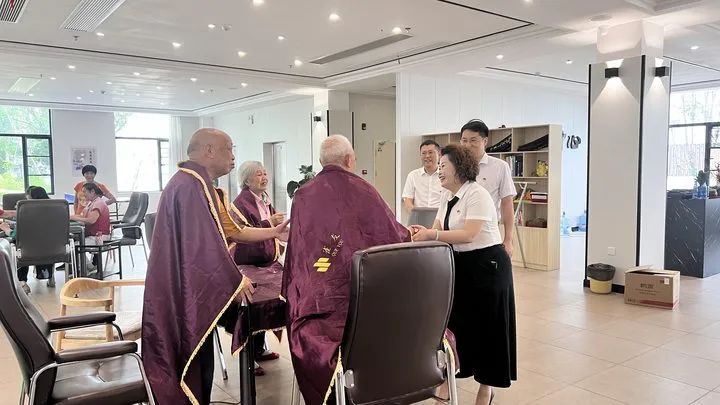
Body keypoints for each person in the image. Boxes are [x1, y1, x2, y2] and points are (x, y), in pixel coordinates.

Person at [142, 128, 288, 405]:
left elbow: (234, 231)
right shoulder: (189, 187)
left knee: (203, 360)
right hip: (181, 291)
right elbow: (203, 249)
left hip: (184, 288)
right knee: (192, 358)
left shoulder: (199, 184)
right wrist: (235, 280)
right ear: (209, 150)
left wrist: (273, 231)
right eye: (229, 149)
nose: (233, 157)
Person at [283, 135, 411, 405]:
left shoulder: (303, 195)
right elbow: (391, 236)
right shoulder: (366, 190)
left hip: (321, 302)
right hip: (370, 301)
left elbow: (300, 253)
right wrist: (411, 234)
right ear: (350, 160)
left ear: (321, 162)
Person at [411, 144, 516, 405]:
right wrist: (422, 233)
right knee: (455, 326)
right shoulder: (446, 195)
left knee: (489, 329)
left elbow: (469, 234)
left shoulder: (477, 194)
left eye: (443, 165)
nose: (438, 170)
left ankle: (486, 387)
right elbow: (437, 226)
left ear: (459, 167)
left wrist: (432, 234)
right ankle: (447, 380)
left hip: (488, 266)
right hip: (460, 266)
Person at [231, 160, 285, 375]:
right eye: (259, 174)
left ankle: (260, 348)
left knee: (285, 292)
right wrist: (269, 223)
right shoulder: (239, 205)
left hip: (268, 264)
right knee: (254, 303)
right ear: (246, 180)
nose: (264, 177)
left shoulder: (264, 200)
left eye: (265, 173)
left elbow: (273, 230)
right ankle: (249, 355)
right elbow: (242, 233)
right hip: (248, 265)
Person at [459, 120, 516, 257]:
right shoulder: (456, 167)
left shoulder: (500, 166)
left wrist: (508, 240)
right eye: (464, 140)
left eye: (473, 140)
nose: (468, 145)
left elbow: (507, 203)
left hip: (487, 236)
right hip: (458, 235)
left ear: (485, 141)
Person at [0, 186, 53, 294]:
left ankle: (22, 282)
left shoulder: (26, 213)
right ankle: (50, 276)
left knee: (20, 245)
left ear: (32, 198)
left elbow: (16, 235)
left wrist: (6, 229)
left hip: (28, 252)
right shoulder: (57, 210)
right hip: (53, 251)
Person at [70, 182, 112, 271]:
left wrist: (73, 217)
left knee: (73, 248)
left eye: (84, 191)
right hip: (93, 235)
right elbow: (84, 217)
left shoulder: (99, 203)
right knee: (73, 244)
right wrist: (71, 216)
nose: (83, 194)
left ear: (92, 191)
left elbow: (91, 220)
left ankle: (89, 268)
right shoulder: (92, 203)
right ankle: (87, 268)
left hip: (100, 237)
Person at [402, 140, 443, 212]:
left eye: (430, 152)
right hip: (419, 216)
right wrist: (415, 214)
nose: (427, 156)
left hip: (441, 216)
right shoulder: (413, 175)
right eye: (423, 153)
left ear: (439, 155)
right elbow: (407, 200)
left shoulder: (446, 175)